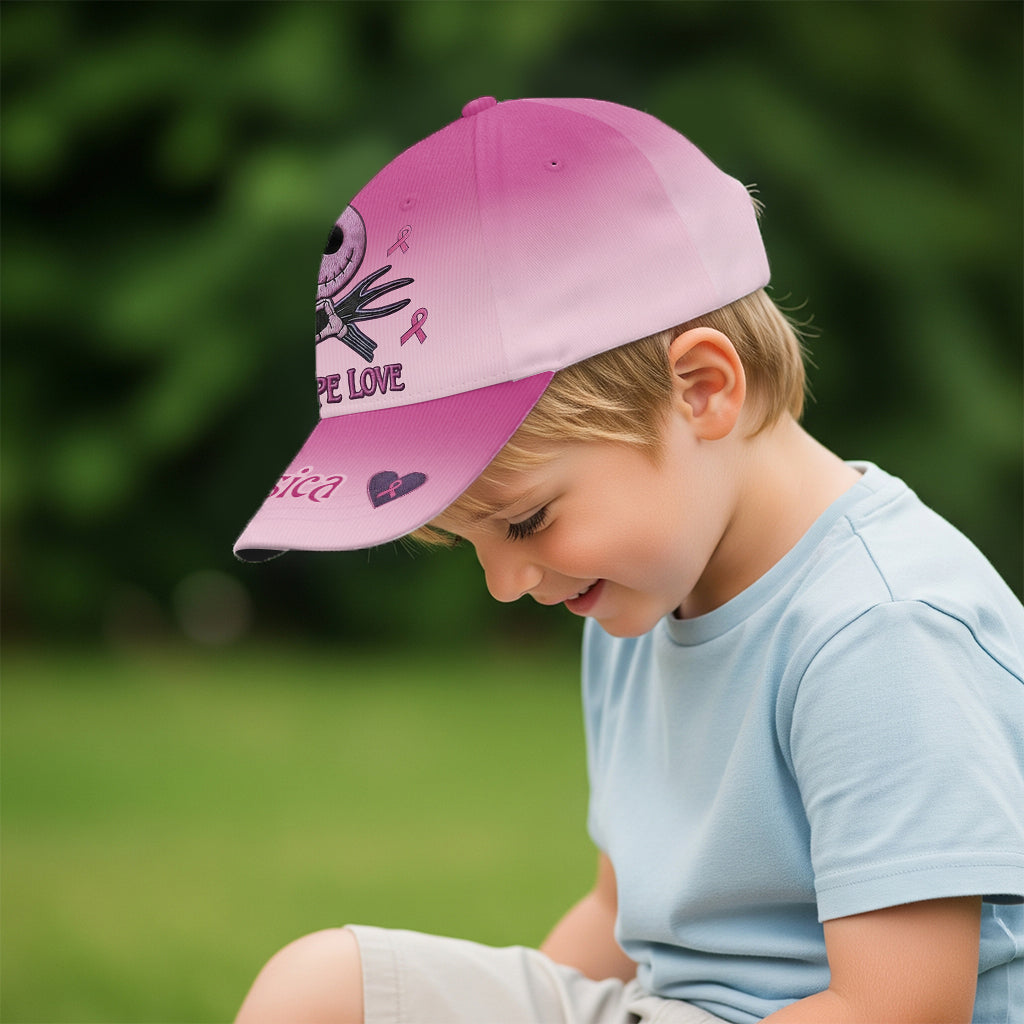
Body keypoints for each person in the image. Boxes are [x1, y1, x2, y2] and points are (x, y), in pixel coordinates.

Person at [231, 97, 1024, 1023]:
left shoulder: (879, 629)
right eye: (470, 542)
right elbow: (619, 917)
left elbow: (898, 1009)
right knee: (322, 991)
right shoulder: (633, 595)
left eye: (524, 522)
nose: (504, 583)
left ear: (701, 390)